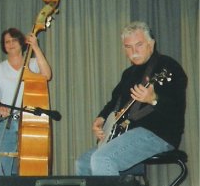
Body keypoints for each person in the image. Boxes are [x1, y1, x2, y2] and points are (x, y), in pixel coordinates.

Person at [76, 21, 187, 176]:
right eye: (128, 47)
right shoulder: (128, 74)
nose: (134, 51)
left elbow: (176, 108)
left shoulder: (168, 67)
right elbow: (115, 102)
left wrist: (154, 99)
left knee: (103, 159)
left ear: (151, 44)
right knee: (82, 163)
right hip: (125, 134)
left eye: (139, 44)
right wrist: (101, 118)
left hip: (158, 134)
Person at [0, 28, 52, 177]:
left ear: (22, 42)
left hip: (30, 121)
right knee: (1, 167)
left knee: (30, 167)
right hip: (5, 121)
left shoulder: (33, 64)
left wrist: (35, 46)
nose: (10, 44)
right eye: (7, 41)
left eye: (14, 40)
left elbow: (47, 74)